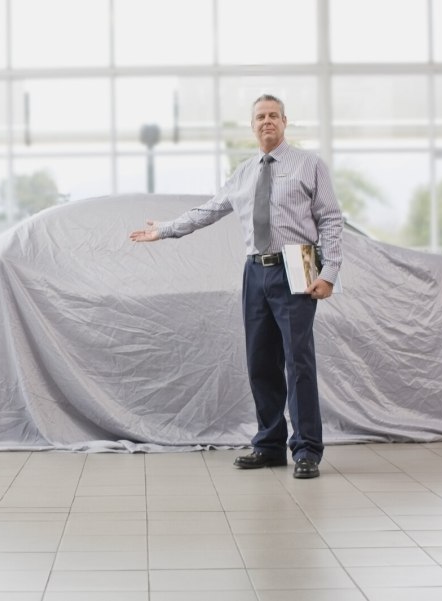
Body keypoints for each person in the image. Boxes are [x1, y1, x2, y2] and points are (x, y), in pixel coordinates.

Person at [129, 94, 343, 479]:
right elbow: (209, 210)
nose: (267, 122)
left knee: (298, 363)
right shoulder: (245, 173)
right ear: (253, 125)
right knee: (260, 362)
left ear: (285, 122)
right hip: (255, 271)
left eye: (273, 116)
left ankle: (307, 450)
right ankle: (270, 445)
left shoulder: (309, 165)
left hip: (299, 264)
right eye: (260, 117)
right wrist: (164, 230)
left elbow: (330, 219)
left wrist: (329, 272)